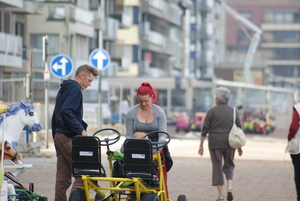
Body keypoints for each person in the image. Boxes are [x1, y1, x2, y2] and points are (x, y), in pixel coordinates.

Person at [51, 64, 99, 201]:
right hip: (67, 136)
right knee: (84, 171)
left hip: (59, 135)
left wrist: (55, 135)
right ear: (81, 75)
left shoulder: (64, 89)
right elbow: (66, 111)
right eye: (89, 80)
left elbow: (56, 114)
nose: (89, 85)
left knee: (63, 178)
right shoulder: (75, 89)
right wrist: (81, 131)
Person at [125, 82, 172, 198]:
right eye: (140, 101)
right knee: (134, 176)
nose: (143, 104)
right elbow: (128, 136)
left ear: (152, 97)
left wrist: (153, 151)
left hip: (156, 148)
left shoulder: (159, 112)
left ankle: (161, 197)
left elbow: (162, 136)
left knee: (159, 178)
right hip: (137, 148)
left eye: (146, 101)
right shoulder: (131, 113)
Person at [198, 87, 243, 201]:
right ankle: (230, 187)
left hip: (215, 142)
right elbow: (238, 129)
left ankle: (221, 195)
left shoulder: (211, 111)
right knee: (229, 165)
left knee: (217, 167)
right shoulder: (233, 111)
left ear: (217, 99)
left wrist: (201, 145)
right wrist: (239, 147)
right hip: (230, 142)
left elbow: (205, 129)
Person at [287, 103, 300, 201]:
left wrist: (290, 138)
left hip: (298, 148)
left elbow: (293, 127)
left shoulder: (298, 108)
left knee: (298, 174)